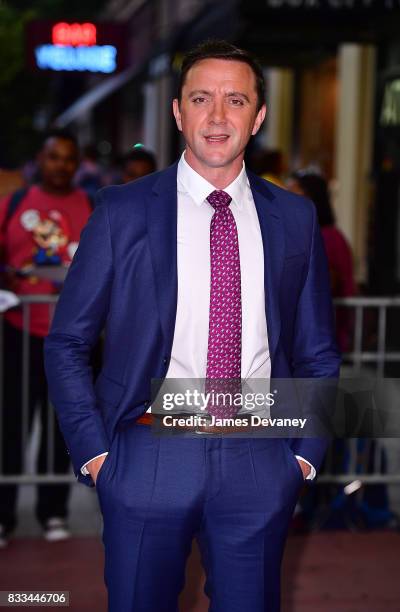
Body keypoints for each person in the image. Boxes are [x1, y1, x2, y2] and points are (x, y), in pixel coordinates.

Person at [45, 41, 340, 611]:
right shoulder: (123, 212)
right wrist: (96, 456)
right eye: (201, 98)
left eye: (236, 100)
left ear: (258, 118)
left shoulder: (295, 218)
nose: (217, 116)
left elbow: (319, 351)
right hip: (148, 449)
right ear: (178, 111)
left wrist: (304, 456)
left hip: (260, 450)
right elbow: (67, 341)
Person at [0, 130, 92, 547]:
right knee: (11, 425)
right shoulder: (15, 204)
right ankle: (3, 515)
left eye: (69, 159)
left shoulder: (92, 205)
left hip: (72, 340)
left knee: (62, 427)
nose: (62, 166)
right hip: (19, 334)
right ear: (41, 159)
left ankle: (53, 510)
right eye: (54, 157)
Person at [288, 169, 357, 352]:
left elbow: (324, 281)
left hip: (323, 333)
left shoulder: (326, 237)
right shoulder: (317, 233)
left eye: (294, 191)